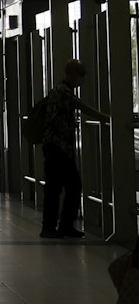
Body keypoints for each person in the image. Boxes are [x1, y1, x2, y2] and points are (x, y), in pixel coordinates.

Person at [39, 58, 109, 239]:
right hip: (58, 147)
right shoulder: (63, 92)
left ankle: (57, 226)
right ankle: (57, 226)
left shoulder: (60, 90)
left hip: (57, 147)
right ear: (71, 74)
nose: (82, 79)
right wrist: (104, 117)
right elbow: (81, 107)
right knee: (69, 186)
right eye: (80, 75)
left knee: (59, 187)